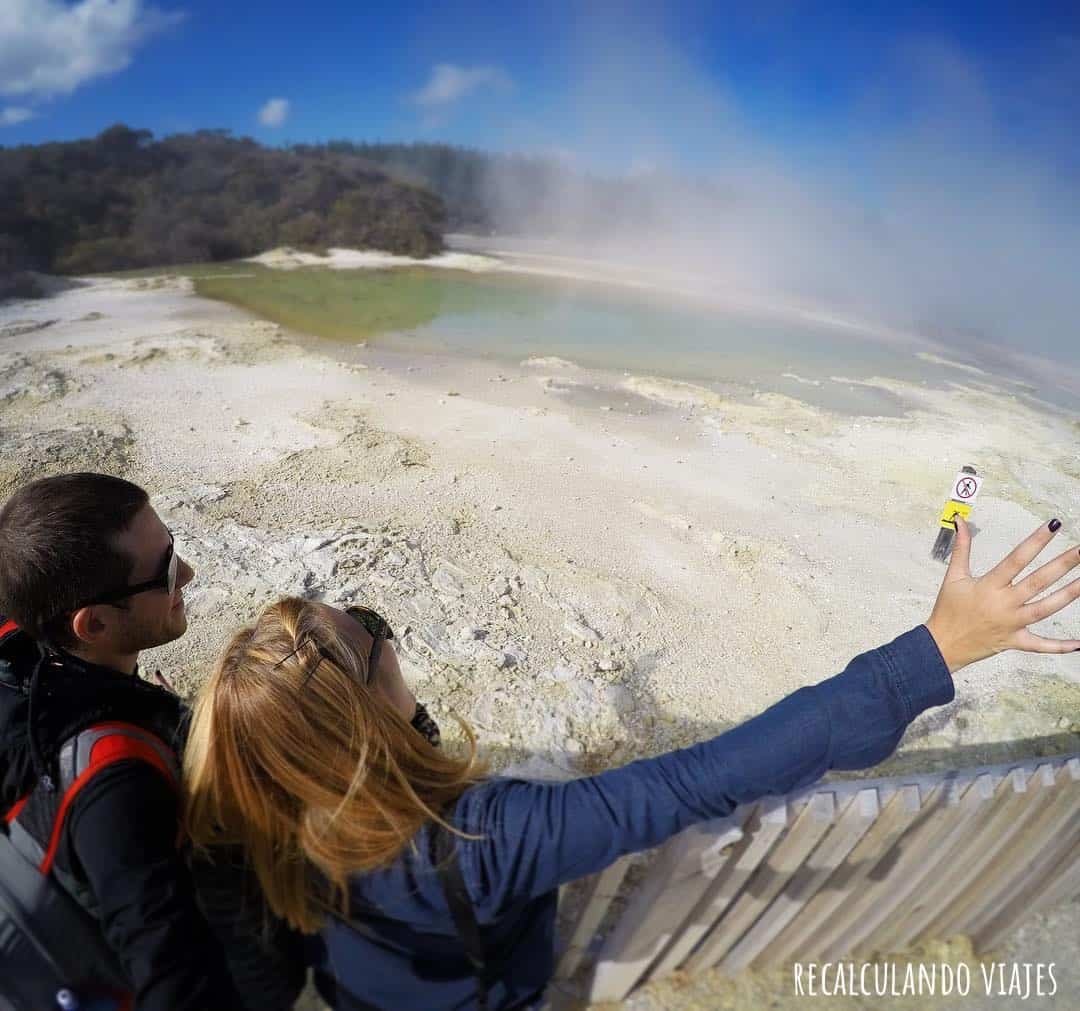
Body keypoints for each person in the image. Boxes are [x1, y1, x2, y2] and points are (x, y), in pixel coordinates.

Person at [183, 514, 1080, 1011]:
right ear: (365, 713)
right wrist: (933, 651)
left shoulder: (253, 798)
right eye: (372, 630)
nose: (384, 631)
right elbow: (699, 778)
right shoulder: (483, 837)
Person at [0, 473, 297, 1009]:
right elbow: (174, 982)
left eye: (173, 548)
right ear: (93, 625)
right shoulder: (118, 783)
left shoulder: (21, 626)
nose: (188, 573)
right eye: (164, 572)